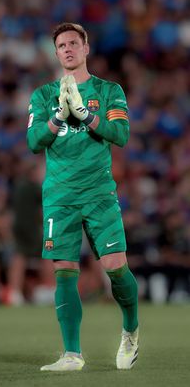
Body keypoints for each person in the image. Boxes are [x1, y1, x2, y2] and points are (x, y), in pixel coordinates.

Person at [27, 22, 139, 372]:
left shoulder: (109, 91)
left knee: (114, 267)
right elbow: (33, 143)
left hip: (99, 192)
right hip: (59, 194)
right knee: (64, 268)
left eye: (74, 43)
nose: (68, 49)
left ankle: (131, 331)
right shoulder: (44, 96)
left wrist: (86, 116)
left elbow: (120, 134)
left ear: (86, 48)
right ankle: (72, 354)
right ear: (57, 53)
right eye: (61, 45)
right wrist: (58, 118)